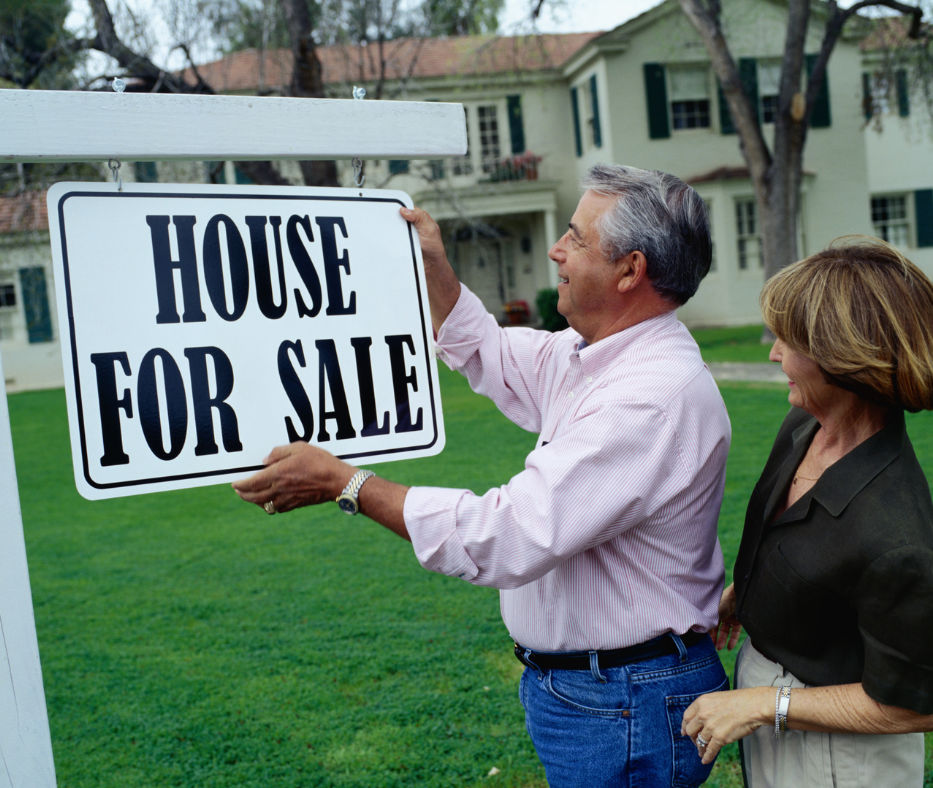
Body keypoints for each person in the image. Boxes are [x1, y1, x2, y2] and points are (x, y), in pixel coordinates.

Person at [233, 164, 732, 787]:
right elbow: (494, 355)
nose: (557, 250)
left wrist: (347, 485)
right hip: (606, 690)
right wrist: (437, 270)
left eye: (576, 239)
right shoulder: (597, 357)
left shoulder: (648, 397)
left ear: (631, 271)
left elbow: (506, 535)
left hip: (625, 697)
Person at [681, 237, 933, 787]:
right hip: (778, 711)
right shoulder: (804, 428)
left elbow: (916, 705)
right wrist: (750, 599)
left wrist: (766, 705)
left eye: (789, 341)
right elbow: (803, 550)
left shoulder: (898, 534)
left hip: (842, 755)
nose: (773, 354)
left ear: (844, 357)